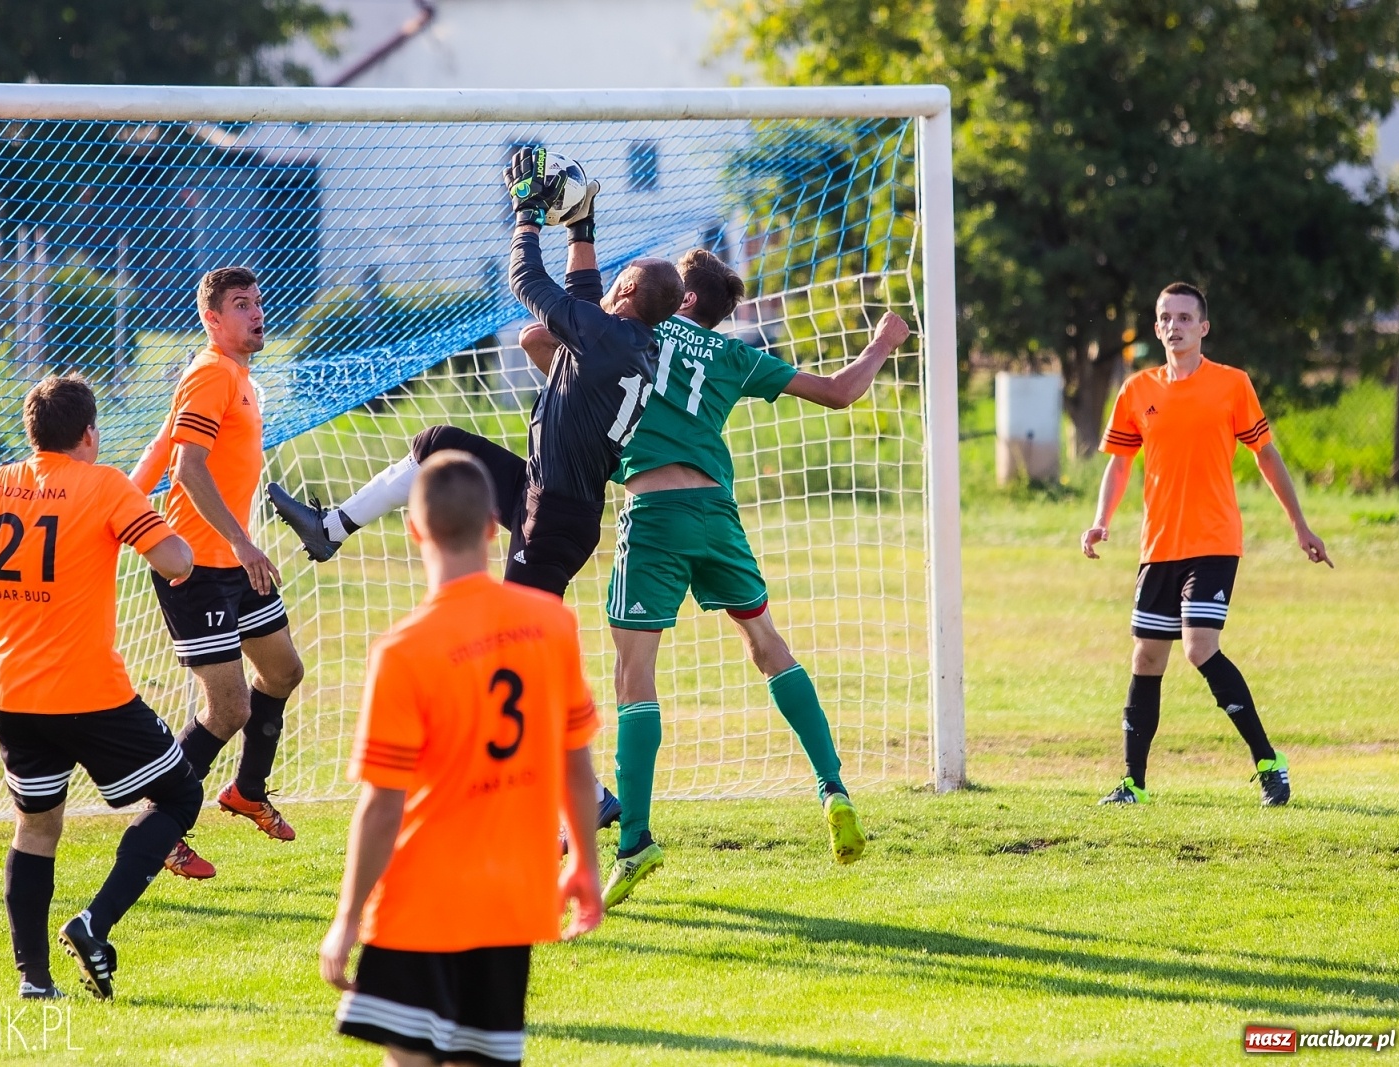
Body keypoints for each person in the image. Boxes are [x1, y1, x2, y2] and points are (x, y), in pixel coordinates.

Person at [269, 146, 681, 830]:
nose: (611, 281)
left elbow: (526, 280)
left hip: (553, 516)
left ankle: (579, 799)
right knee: (439, 443)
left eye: (622, 278)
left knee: (514, 658)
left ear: (630, 292)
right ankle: (331, 527)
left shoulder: (608, 336)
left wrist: (526, 212)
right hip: (552, 496)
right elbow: (583, 294)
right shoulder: (627, 340)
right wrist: (582, 226)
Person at [519, 249, 909, 906]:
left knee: (633, 675)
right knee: (768, 644)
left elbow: (535, 336)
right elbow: (841, 392)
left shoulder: (637, 331)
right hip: (717, 513)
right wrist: (882, 342)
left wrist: (582, 379)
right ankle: (833, 787)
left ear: (685, 298)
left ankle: (635, 841)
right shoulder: (734, 356)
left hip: (655, 516)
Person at [0, 374, 199, 1000]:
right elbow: (176, 561)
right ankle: (94, 923)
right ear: (89, 434)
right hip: (92, 695)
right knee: (180, 796)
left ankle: (35, 981)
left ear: (32, 432)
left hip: (15, 695)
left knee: (37, 828)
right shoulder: (105, 485)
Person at [319, 450, 603, 1067]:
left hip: (422, 899)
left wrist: (346, 918)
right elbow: (577, 766)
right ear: (495, 527)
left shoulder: (404, 650)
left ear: (415, 530)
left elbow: (382, 805)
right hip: (512, 899)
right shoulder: (553, 624)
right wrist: (584, 860)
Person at [1083, 281, 1332, 807]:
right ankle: (1133, 783)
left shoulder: (1231, 384)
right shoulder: (1137, 390)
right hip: (1158, 547)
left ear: (1203, 327)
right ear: (1156, 329)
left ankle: (1269, 762)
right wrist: (1101, 520)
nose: (1173, 326)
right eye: (1165, 317)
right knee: (1147, 657)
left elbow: (1266, 455)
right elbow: (1120, 463)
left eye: (1183, 317)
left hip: (1214, 542)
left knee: (1199, 648)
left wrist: (1300, 525)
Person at [129, 266, 307, 879]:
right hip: (199, 568)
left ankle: (247, 791)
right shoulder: (210, 372)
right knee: (227, 708)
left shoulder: (235, 376)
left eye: (258, 301)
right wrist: (243, 542)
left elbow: (160, 448)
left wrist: (121, 502)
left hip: (234, 561)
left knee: (283, 671)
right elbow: (187, 468)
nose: (256, 313)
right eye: (240, 304)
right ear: (212, 319)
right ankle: (159, 826)